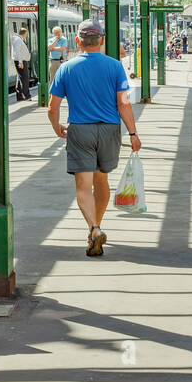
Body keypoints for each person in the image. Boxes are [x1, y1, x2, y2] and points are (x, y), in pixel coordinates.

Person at [47, 19, 142, 257]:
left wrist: (56, 127)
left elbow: (52, 107)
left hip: (80, 130)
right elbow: (123, 103)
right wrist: (133, 133)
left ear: (78, 41)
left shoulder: (66, 68)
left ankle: (94, 228)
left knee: (83, 186)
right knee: (101, 181)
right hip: (109, 130)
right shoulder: (114, 66)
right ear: (101, 41)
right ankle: (96, 226)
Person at [12, 28, 32, 101]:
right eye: (26, 34)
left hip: (21, 60)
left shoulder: (17, 39)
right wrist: (20, 62)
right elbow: (18, 51)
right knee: (24, 78)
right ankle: (27, 95)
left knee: (20, 78)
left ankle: (20, 95)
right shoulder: (18, 40)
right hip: (20, 61)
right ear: (24, 33)